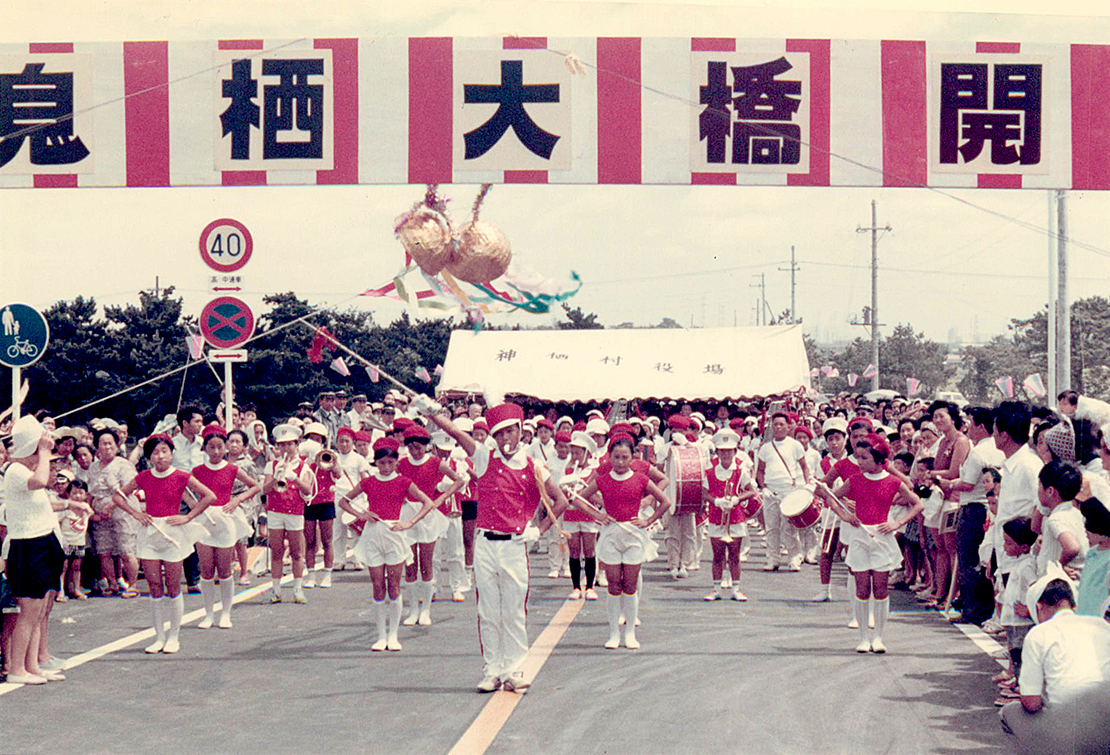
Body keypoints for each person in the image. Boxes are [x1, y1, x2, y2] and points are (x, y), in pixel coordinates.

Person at [422, 399, 572, 694]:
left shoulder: (534, 467)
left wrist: (537, 530)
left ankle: (514, 669)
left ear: (521, 432)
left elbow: (561, 501)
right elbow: (457, 435)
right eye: (500, 433)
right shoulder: (484, 458)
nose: (506, 439)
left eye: (511, 432)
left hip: (515, 545)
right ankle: (492, 670)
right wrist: (431, 412)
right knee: (488, 610)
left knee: (514, 609)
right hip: (486, 544)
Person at [815, 433, 924, 653]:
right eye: (858, 457)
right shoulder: (855, 480)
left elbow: (918, 504)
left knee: (881, 587)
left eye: (864, 458)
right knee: (862, 587)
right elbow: (831, 497)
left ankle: (879, 638)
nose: (860, 462)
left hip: (882, 537)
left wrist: (897, 523)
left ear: (878, 459)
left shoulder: (893, 481)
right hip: (859, 537)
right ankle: (864, 638)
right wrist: (844, 515)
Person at [111, 435, 217, 654]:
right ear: (149, 457)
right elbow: (118, 497)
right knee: (154, 585)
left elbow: (209, 496)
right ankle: (158, 637)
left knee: (173, 585)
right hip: (150, 533)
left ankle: (173, 637)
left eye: (164, 451)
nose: (160, 456)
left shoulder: (181, 476)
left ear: (171, 452)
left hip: (173, 533)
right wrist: (135, 513)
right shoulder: (144, 477)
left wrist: (187, 518)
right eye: (155, 452)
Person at [337, 438, 440, 652]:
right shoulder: (368, 482)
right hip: (373, 535)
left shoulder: (404, 482)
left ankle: (393, 635)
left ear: (396, 463)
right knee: (377, 585)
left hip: (395, 535)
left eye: (390, 463)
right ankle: (380, 636)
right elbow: (343, 501)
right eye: (381, 463)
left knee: (394, 585)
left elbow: (428, 502)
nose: (385, 467)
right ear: (375, 462)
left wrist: (410, 522)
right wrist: (362, 514)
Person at [999, 571, 1110, 755]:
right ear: (1073, 605)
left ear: (1039, 606)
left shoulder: (1039, 634)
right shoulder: (1102, 626)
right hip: (1106, 725)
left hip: (1069, 730)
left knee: (1008, 713)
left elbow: (1031, 702)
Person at [573, 434, 665, 649]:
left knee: (630, 585)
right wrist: (598, 515)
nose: (621, 462)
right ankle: (614, 634)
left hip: (633, 535)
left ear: (632, 457)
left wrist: (648, 520)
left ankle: (630, 633)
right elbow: (577, 498)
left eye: (625, 457)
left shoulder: (641, 479)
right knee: (613, 585)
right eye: (616, 457)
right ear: (610, 458)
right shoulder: (603, 480)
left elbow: (665, 501)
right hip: (611, 535)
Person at [2, 417, 70, 684]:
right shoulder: (16, 470)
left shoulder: (25, 472)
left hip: (42, 542)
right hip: (27, 546)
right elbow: (42, 481)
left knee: (39, 611)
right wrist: (42, 451)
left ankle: (32, 666)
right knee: (28, 613)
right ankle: (17, 669)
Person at [936, 406, 1003, 625]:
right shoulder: (998, 449)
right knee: (982, 561)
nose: (967, 427)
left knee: (969, 560)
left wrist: (947, 483)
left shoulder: (979, 452)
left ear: (981, 427)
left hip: (974, 509)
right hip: (989, 508)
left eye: (971, 423)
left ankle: (973, 609)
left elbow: (967, 483)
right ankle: (982, 608)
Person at [191, 425, 260, 629]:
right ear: (204, 448)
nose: (216, 452)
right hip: (204, 520)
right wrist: (196, 507)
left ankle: (226, 613)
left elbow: (255, 486)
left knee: (224, 569)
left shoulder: (232, 468)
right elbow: (183, 489)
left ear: (226, 447)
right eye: (211, 447)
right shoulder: (197, 471)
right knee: (206, 570)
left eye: (220, 447)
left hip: (225, 518)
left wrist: (237, 500)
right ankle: (208, 614)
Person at [701, 430, 758, 602]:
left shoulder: (741, 471)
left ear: (735, 451)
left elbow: (751, 491)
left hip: (736, 517)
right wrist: (716, 501)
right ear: (717, 452)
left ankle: (736, 589)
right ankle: (716, 588)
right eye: (722, 450)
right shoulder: (710, 471)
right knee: (717, 555)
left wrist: (736, 498)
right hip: (717, 517)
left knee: (734, 555)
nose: (725, 454)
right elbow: (704, 493)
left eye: (729, 450)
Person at [261, 424, 314, 605]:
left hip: (295, 511)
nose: (285, 448)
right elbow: (265, 489)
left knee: (297, 552)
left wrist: (294, 478)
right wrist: (276, 476)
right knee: (276, 551)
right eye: (282, 445)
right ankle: (276, 590)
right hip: (276, 511)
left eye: (289, 444)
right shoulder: (272, 464)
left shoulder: (303, 466)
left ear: (296, 445)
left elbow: (308, 490)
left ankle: (297, 589)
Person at [87, 427, 140, 597]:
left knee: (126, 550)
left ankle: (132, 584)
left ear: (117, 445)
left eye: (111, 443)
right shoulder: (93, 467)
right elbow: (90, 492)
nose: (107, 447)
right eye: (103, 443)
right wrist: (92, 511)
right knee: (104, 551)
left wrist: (110, 506)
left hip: (122, 510)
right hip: (100, 514)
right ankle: (112, 583)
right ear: (97, 447)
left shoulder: (124, 465)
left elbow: (128, 488)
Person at [755, 412, 811, 572]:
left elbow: (804, 466)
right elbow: (760, 471)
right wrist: (763, 487)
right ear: (771, 427)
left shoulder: (795, 445)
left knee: (789, 527)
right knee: (771, 527)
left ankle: (794, 558)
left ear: (788, 426)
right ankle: (773, 559)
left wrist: (807, 484)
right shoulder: (765, 448)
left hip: (789, 490)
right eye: (775, 424)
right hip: (771, 492)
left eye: (781, 424)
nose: (778, 427)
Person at [996, 517, 1038, 706]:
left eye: (1009, 543)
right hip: (1014, 622)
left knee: (1020, 655)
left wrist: (1029, 609)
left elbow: (1035, 587)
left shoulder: (1027, 564)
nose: (1005, 547)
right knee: (1015, 654)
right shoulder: (1020, 563)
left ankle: (1021, 689)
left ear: (1023, 547)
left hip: (1021, 622)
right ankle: (1018, 684)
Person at [561, 432, 601, 599]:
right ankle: (576, 587)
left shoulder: (594, 471)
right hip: (571, 514)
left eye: (578, 452)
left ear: (587, 454)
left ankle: (590, 586)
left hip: (588, 515)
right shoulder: (569, 469)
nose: (575, 456)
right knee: (574, 550)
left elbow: (595, 493)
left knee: (590, 550)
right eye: (573, 452)